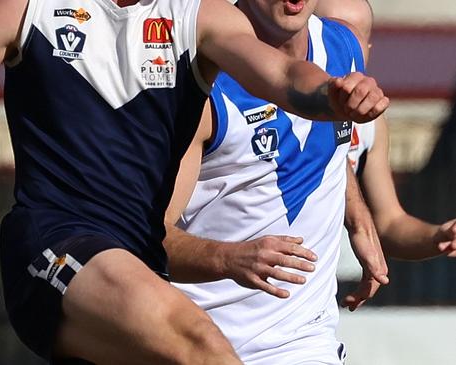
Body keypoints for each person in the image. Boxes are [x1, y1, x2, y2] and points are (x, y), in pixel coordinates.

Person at [0, 0, 388, 363]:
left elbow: (285, 76)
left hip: (136, 266)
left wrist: (333, 96)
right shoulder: (25, 9)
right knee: (204, 348)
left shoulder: (199, 18)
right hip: (51, 248)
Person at [164, 0, 388, 363]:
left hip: (303, 342)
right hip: (201, 342)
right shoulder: (203, 85)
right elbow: (146, 238)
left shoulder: (345, 42)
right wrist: (227, 259)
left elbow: (323, 144)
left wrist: (357, 215)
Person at [315, 0, 456, 265]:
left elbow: (390, 223)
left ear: (368, 49)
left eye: (354, 37)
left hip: (324, 294)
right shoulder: (262, 106)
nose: (342, 49)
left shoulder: (371, 123)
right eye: (330, 35)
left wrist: (438, 236)